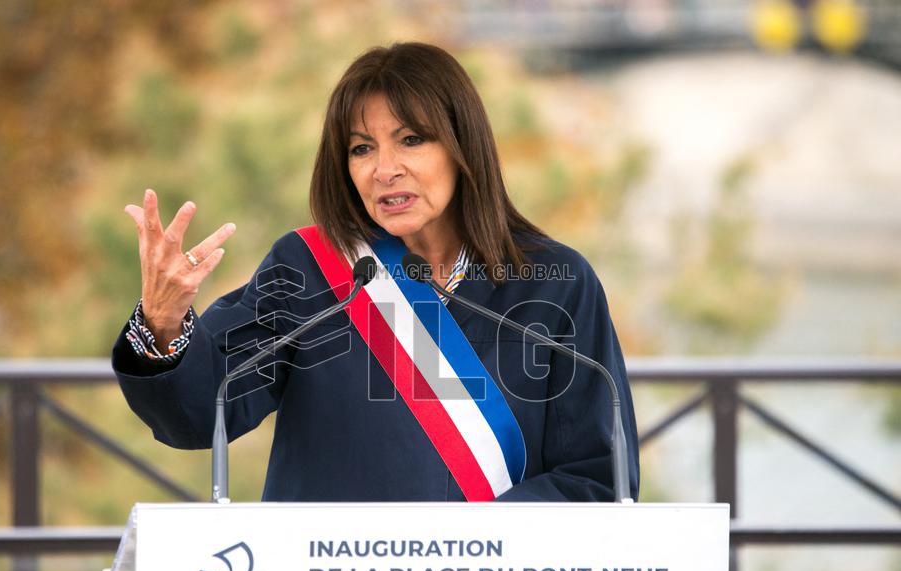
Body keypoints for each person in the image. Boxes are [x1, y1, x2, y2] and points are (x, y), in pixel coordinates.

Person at [112, 42, 639, 503]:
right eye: (362, 148)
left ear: (463, 147)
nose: (384, 168)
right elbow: (200, 412)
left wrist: (473, 547)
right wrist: (161, 320)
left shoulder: (555, 280)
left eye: (411, 140)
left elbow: (597, 478)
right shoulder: (309, 269)